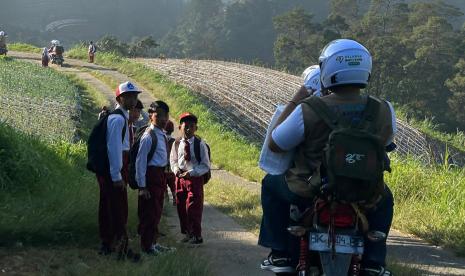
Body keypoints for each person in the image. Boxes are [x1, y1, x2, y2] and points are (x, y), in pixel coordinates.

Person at [259, 39, 396, 276]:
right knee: (386, 199)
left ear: (328, 70)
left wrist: (297, 97)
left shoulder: (308, 109)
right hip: (364, 192)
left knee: (270, 185)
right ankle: (374, 260)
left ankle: (280, 253)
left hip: (310, 190)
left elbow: (276, 143)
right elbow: (385, 143)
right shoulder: (383, 109)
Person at [95, 81, 140, 256]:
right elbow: (114, 149)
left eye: (135, 96)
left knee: (111, 206)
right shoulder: (117, 119)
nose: (133, 99)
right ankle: (119, 245)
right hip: (115, 168)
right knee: (117, 207)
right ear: (120, 98)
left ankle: (110, 244)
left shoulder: (121, 118)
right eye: (129, 96)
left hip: (118, 166)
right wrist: (116, 176)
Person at [135, 101, 175, 255]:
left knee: (157, 212)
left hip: (160, 177)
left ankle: (153, 243)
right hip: (150, 178)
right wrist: (142, 186)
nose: (163, 119)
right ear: (151, 116)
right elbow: (140, 163)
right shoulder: (148, 136)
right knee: (149, 214)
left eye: (166, 115)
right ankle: (147, 247)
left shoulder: (162, 134)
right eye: (159, 115)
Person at [170, 112, 211, 244]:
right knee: (181, 206)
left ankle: (197, 235)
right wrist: (176, 170)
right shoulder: (176, 143)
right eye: (185, 126)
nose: (188, 129)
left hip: (194, 178)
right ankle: (187, 233)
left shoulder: (200, 144)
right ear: (179, 127)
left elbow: (205, 165)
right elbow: (173, 160)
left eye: (191, 126)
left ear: (196, 128)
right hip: (180, 178)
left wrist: (192, 173)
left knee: (194, 207)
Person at [164, 120, 176, 205]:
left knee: (164, 183)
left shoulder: (162, 139)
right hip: (172, 167)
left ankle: (165, 200)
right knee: (173, 184)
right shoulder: (174, 141)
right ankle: (175, 198)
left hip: (163, 167)